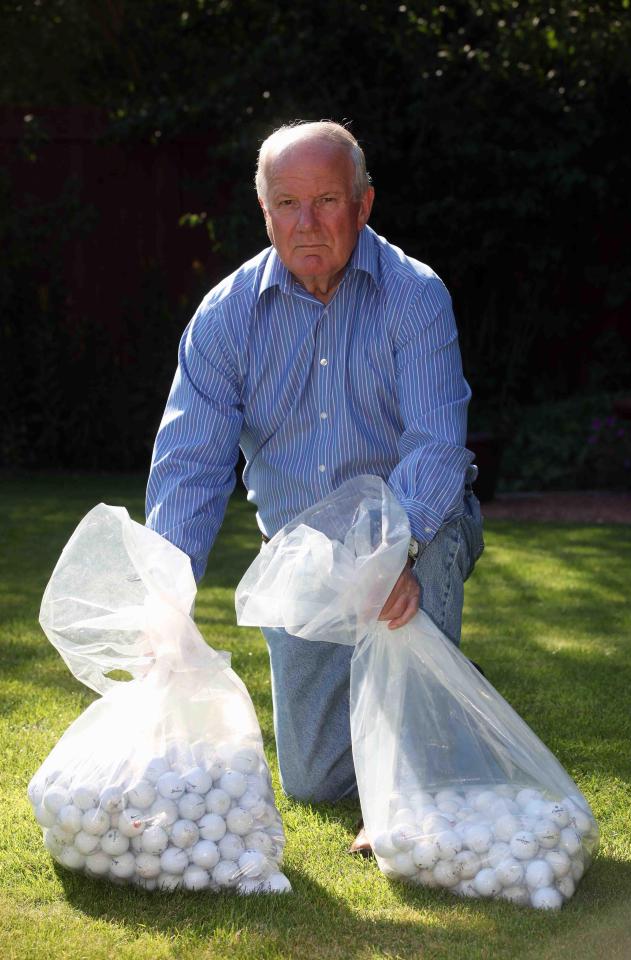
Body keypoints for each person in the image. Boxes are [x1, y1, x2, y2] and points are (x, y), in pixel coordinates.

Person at [146, 120, 484, 853]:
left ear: (363, 205)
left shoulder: (415, 295)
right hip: (300, 548)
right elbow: (190, 464)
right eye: (287, 204)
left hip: (416, 525)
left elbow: (437, 445)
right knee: (312, 778)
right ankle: (440, 705)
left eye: (326, 200)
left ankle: (408, 788)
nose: (306, 223)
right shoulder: (225, 316)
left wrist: (398, 550)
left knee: (415, 587)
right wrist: (167, 589)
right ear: (264, 211)